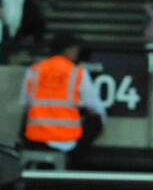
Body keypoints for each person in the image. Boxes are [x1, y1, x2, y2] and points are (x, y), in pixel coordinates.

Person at [21, 32, 107, 160]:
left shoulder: (34, 70)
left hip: (34, 137)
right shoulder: (77, 72)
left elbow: (24, 104)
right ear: (68, 50)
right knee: (96, 120)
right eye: (75, 49)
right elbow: (94, 105)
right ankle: (76, 164)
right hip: (65, 141)